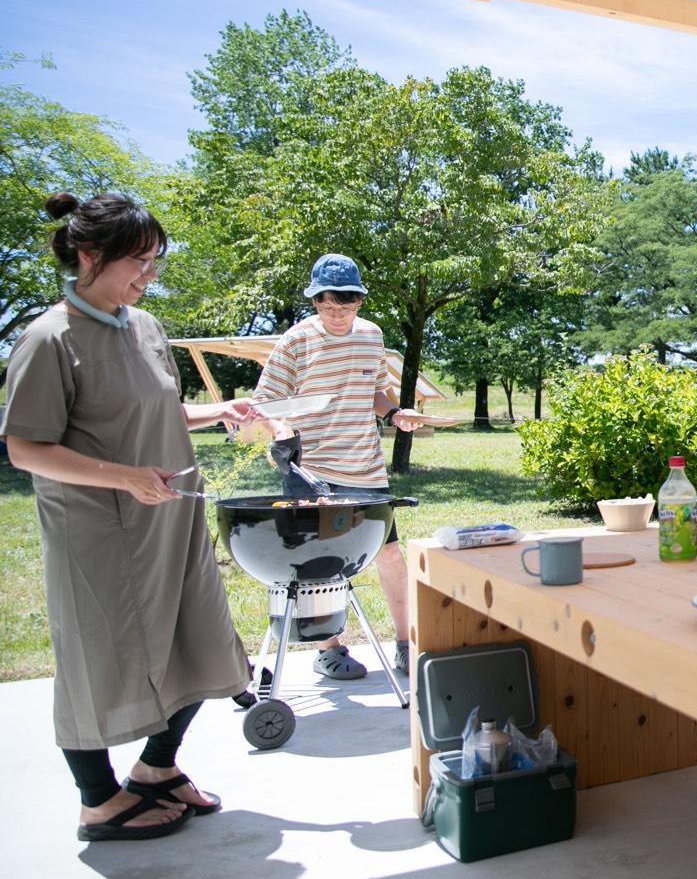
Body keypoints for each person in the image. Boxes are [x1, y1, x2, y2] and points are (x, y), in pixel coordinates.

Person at [2, 192, 253, 841]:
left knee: (199, 638)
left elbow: (157, 409)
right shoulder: (48, 338)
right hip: (98, 532)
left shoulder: (143, 326)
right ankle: (97, 798)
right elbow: (25, 445)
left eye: (155, 263)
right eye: (138, 262)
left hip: (170, 516)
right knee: (98, 658)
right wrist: (122, 478)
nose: (149, 275)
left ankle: (156, 770)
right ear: (88, 255)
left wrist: (219, 411)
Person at [255, 253, 424, 679]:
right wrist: (279, 429)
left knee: (388, 556)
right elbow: (264, 401)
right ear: (314, 300)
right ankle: (329, 649)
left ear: (360, 302)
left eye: (345, 307)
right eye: (326, 307)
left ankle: (406, 644)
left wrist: (394, 414)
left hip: (365, 467)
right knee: (319, 563)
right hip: (312, 468)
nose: (335, 315)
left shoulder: (371, 336)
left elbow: (376, 391)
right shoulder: (296, 340)